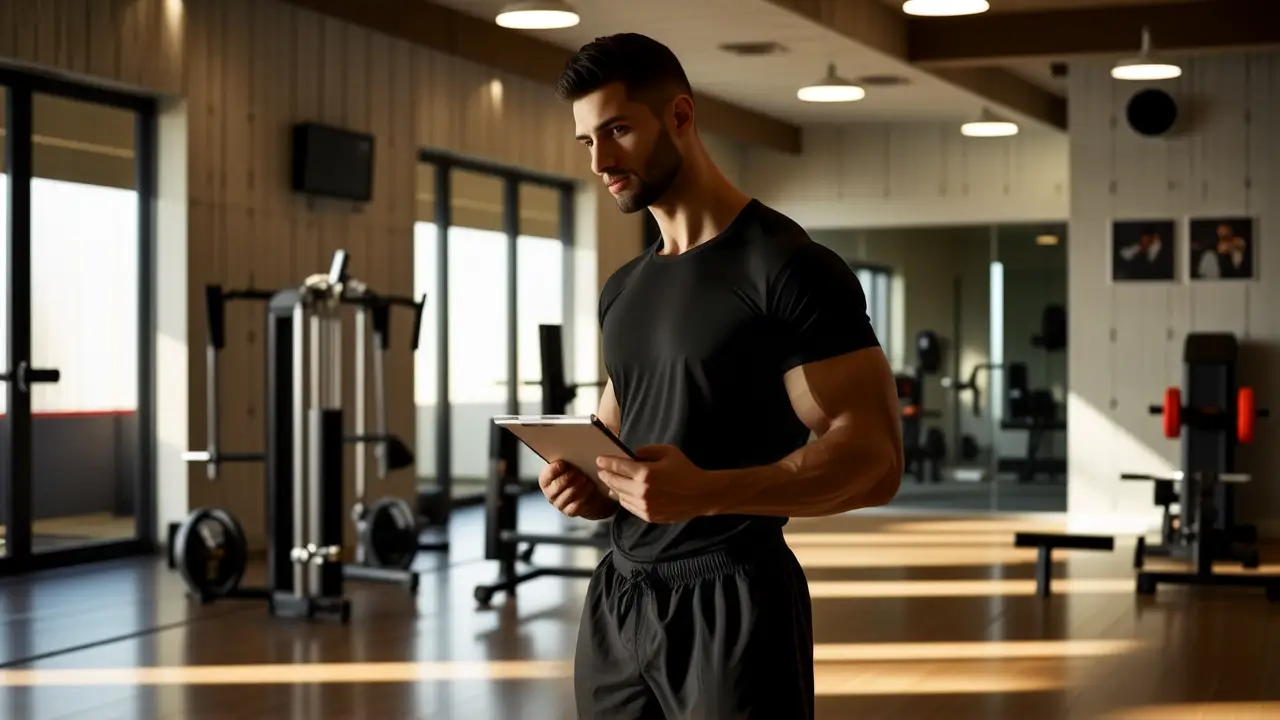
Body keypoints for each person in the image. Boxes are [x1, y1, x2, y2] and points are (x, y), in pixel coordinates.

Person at [539, 33, 903, 720]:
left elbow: (875, 459)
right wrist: (588, 483)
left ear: (680, 115)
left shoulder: (788, 267)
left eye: (617, 129)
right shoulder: (624, 287)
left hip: (733, 599)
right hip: (619, 598)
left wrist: (705, 493)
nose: (602, 160)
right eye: (588, 141)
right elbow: (618, 436)